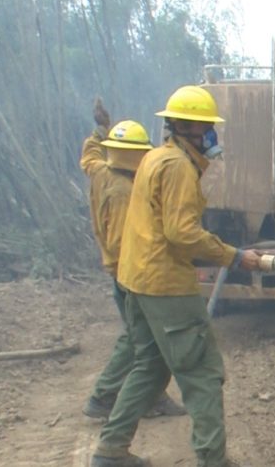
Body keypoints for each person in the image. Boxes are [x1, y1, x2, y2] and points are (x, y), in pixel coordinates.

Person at [92, 86, 268, 467]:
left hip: (137, 282)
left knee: (151, 365)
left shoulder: (156, 158)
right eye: (207, 128)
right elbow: (182, 233)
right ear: (188, 128)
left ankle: (110, 451)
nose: (212, 137)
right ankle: (213, 460)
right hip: (166, 286)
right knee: (203, 372)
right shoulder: (178, 168)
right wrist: (235, 256)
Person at [80, 113, 187, 422]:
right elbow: (120, 243)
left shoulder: (101, 170)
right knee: (138, 336)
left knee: (145, 336)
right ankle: (103, 396)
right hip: (129, 273)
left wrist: (99, 129)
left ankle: (152, 396)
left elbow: (89, 155)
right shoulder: (124, 192)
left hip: (124, 270)